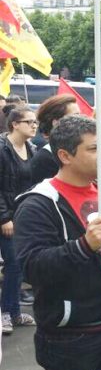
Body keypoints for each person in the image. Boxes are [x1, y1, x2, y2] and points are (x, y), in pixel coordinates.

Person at [14, 116, 101, 370]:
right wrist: (83, 246)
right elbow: (32, 268)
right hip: (71, 336)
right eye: (93, 149)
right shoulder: (38, 204)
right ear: (65, 155)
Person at [0, 106, 37, 334]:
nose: (34, 125)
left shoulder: (31, 148)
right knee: (13, 264)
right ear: (14, 124)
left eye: (35, 122)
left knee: (19, 263)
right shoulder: (2, 149)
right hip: (6, 218)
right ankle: (5, 312)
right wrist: (4, 217)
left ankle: (13, 311)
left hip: (23, 216)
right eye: (29, 121)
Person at [30, 94, 80, 184]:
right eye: (75, 116)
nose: (81, 120)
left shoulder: (75, 150)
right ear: (56, 123)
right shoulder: (45, 159)